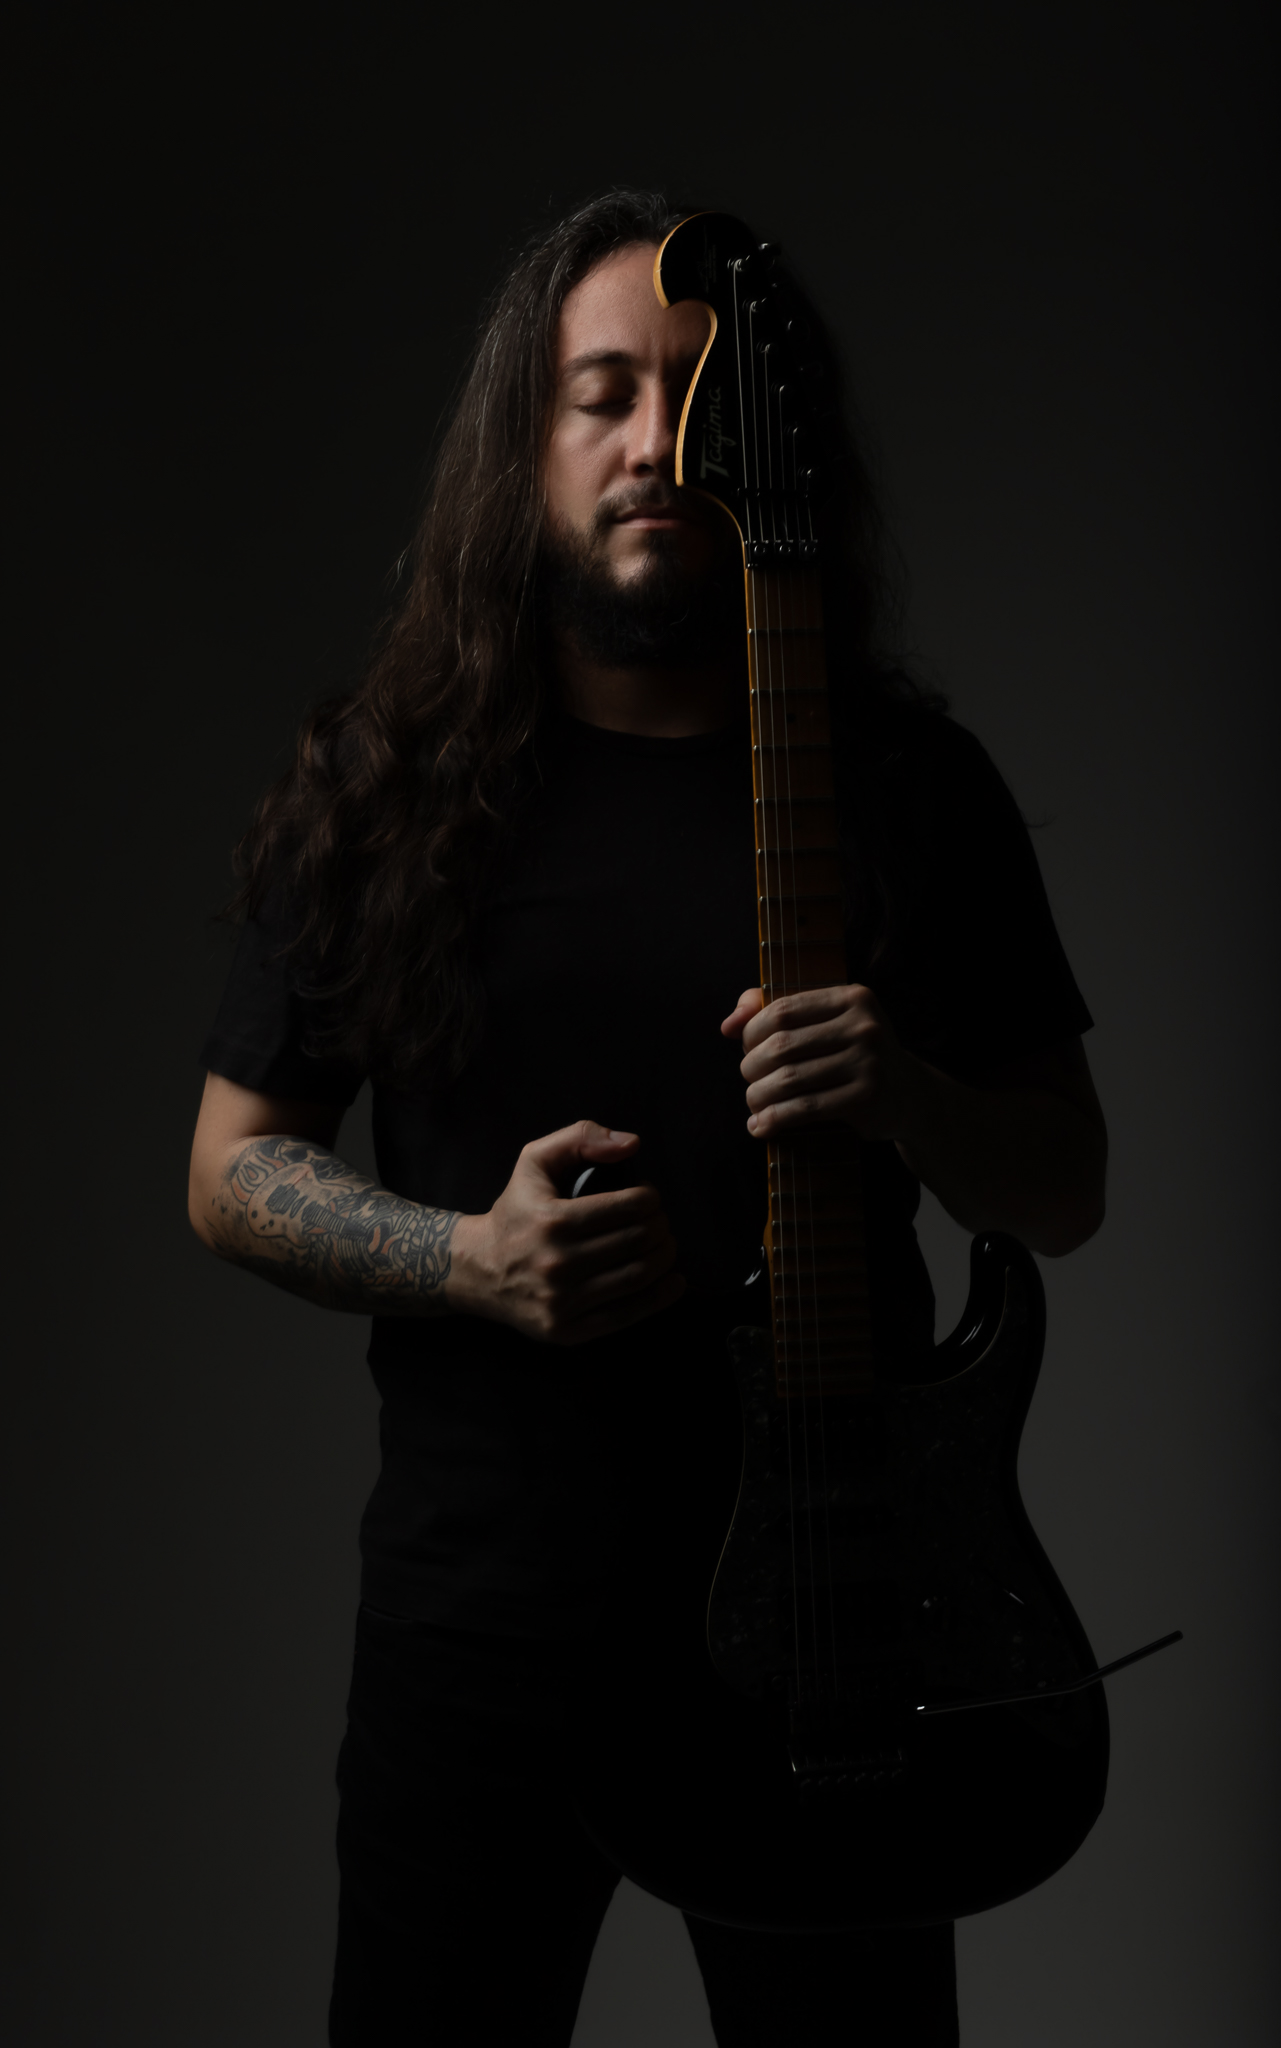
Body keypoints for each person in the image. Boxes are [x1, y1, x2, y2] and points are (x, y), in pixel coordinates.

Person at [189, 189, 1107, 2047]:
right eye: (601, 392)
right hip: (482, 1623)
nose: (654, 444)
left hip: (833, 1626)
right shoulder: (389, 783)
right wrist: (465, 1258)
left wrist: (910, 1093)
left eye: (699, 399)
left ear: (776, 451)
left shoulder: (912, 789)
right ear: (521, 446)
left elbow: (1064, 1187)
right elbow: (228, 1171)